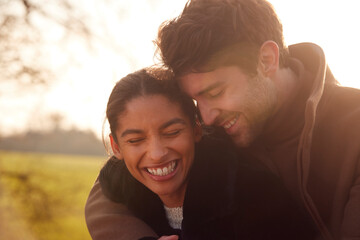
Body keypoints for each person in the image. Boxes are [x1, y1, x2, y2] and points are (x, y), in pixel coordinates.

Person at [85, 0, 360, 239]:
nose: (205, 117)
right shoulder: (210, 128)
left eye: (215, 92)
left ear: (266, 60)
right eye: (194, 101)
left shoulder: (353, 125)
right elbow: (108, 190)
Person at [87, 68, 316, 240]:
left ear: (197, 128)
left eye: (172, 132)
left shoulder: (257, 197)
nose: (156, 154)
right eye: (136, 140)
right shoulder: (118, 193)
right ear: (116, 147)